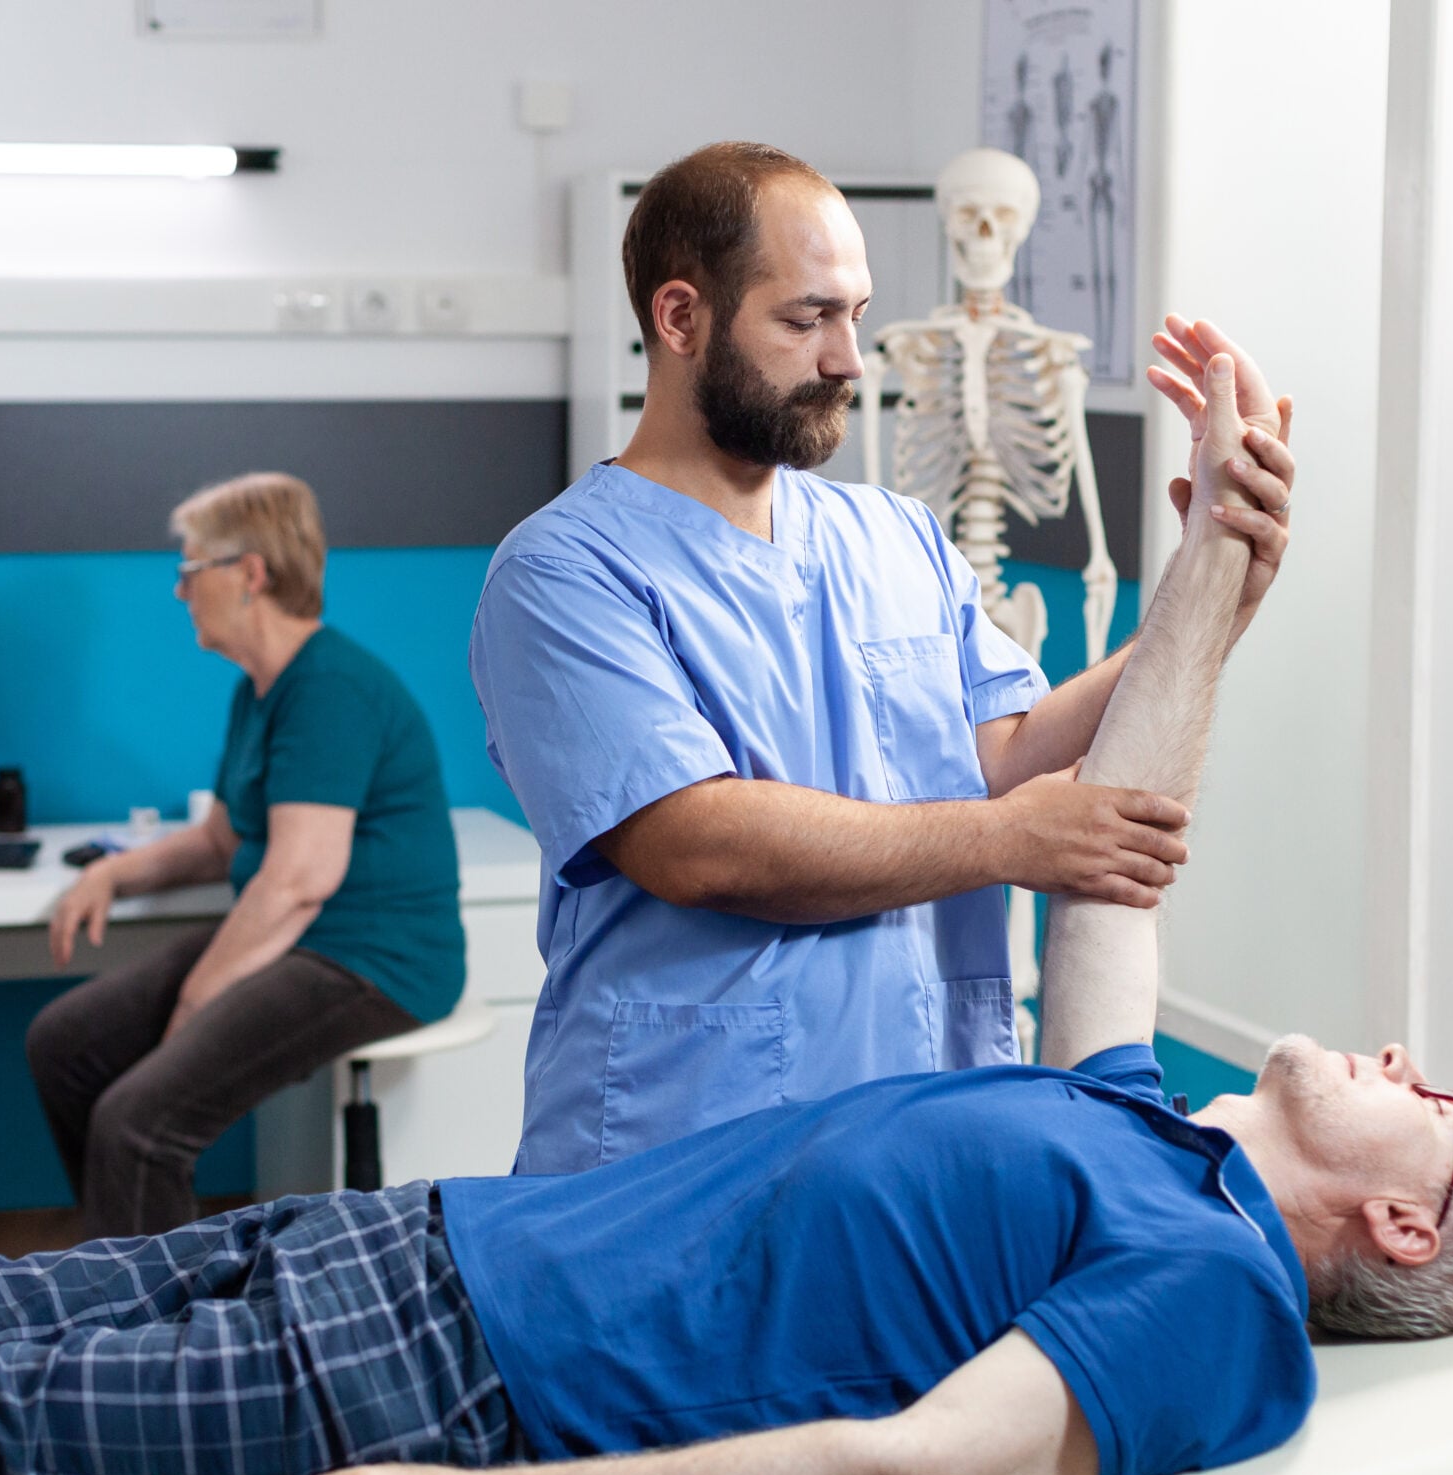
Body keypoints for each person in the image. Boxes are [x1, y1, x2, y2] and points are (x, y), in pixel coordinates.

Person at [0, 339, 1453, 1475]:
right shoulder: (1147, 1124)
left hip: (464, 1395)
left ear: (1400, 1217)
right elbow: (1114, 866)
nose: (1414, 1056)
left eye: (1440, 1098)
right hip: (433, 1249)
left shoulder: (1209, 1297)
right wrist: (1217, 576)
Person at [469, 141, 1297, 1172]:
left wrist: (1208, 601)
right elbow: (696, 843)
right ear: (679, 318)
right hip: (681, 1151)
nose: (847, 360)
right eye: (804, 319)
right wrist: (1006, 842)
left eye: (854, 317)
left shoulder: (891, 537)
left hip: (919, 1130)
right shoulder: (562, 572)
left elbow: (1008, 750)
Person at [27, 472, 465, 1238]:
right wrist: (111, 873)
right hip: (307, 935)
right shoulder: (261, 689)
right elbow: (222, 842)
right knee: (65, 1045)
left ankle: (160, 1345)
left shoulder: (330, 687)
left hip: (373, 958)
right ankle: (115, 1266)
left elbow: (299, 880)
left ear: (250, 574)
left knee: (140, 1121)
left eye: (190, 571)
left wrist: (200, 999)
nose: (179, 591)